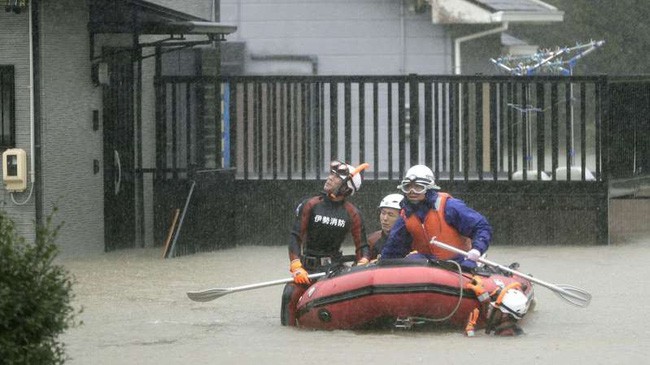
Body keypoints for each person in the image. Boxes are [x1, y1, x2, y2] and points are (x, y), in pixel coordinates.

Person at [281, 160, 371, 326]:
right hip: (307, 270)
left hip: (334, 271)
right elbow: (295, 236)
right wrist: (296, 266)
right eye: (331, 174)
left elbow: (362, 247)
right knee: (289, 294)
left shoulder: (352, 213)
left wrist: (363, 262)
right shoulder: (311, 204)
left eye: (336, 177)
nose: (329, 178)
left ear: (347, 188)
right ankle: (289, 332)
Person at [380, 165, 492, 271]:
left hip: (459, 260)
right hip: (428, 262)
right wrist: (382, 265)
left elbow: (481, 226)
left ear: (428, 188)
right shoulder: (406, 214)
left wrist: (476, 251)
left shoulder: (449, 206)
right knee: (412, 261)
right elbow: (394, 247)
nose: (412, 192)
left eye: (418, 187)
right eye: (407, 187)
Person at [367, 193, 404, 260]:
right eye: (383, 213)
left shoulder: (412, 240)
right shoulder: (372, 240)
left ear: (402, 217)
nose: (385, 218)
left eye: (390, 214)